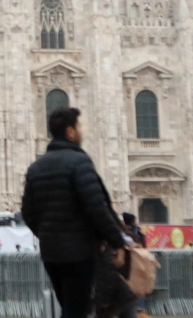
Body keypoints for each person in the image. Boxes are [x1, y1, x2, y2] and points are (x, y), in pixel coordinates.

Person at [21, 107, 131, 318]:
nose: (82, 131)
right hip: (78, 251)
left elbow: (27, 211)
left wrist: (47, 233)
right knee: (77, 309)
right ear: (70, 131)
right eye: (79, 126)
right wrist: (117, 241)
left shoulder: (36, 167)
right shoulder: (79, 162)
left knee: (70, 307)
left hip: (51, 253)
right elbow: (96, 207)